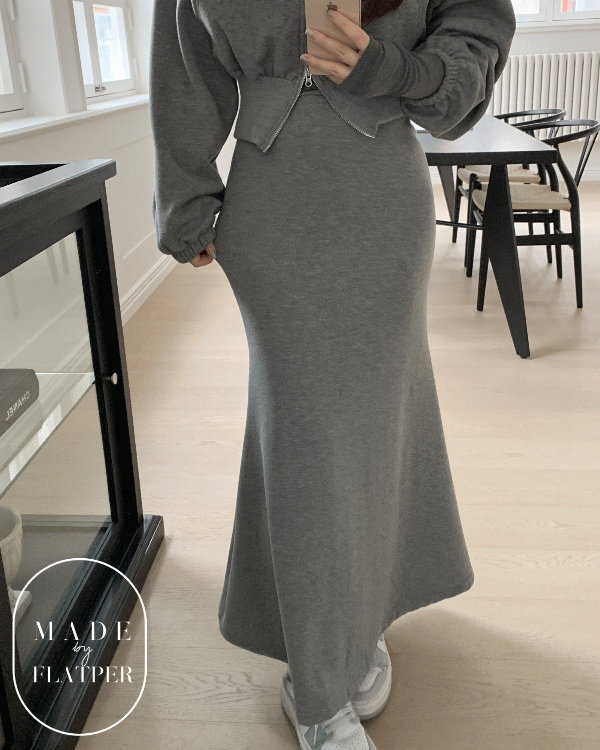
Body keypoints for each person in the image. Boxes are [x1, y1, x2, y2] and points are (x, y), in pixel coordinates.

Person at [149, 1, 516, 747]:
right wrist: (186, 200)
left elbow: (472, 38)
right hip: (272, 203)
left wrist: (390, 67)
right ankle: (317, 686)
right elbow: (184, 67)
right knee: (304, 440)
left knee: (381, 424)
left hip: (385, 197)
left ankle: (356, 615)